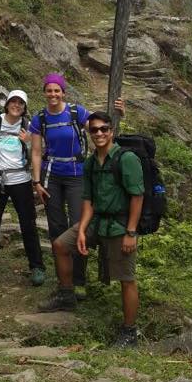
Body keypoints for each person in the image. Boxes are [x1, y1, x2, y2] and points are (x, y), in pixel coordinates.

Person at [39, 110, 144, 349]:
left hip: (119, 225)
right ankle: (67, 294)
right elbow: (88, 200)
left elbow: (138, 196)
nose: (99, 133)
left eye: (103, 129)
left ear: (111, 131)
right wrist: (83, 229)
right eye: (94, 129)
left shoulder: (126, 159)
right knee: (60, 245)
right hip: (97, 222)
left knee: (126, 279)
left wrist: (131, 232)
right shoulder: (90, 163)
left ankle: (130, 332)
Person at [30, 74, 125, 300]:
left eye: (57, 90)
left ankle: (79, 280)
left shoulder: (76, 112)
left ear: (63, 92)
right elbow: (35, 152)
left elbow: (101, 129)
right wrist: (36, 182)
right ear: (44, 92)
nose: (53, 94)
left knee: (77, 226)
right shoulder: (39, 118)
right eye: (49, 90)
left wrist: (119, 114)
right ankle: (65, 281)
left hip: (77, 175)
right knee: (56, 228)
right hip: (51, 176)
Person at [0, 90, 45, 288]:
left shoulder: (28, 126)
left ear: (25, 107)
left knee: (28, 224)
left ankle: (37, 267)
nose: (16, 105)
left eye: (20, 103)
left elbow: (36, 154)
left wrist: (28, 143)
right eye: (13, 102)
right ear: (7, 104)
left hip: (21, 179)